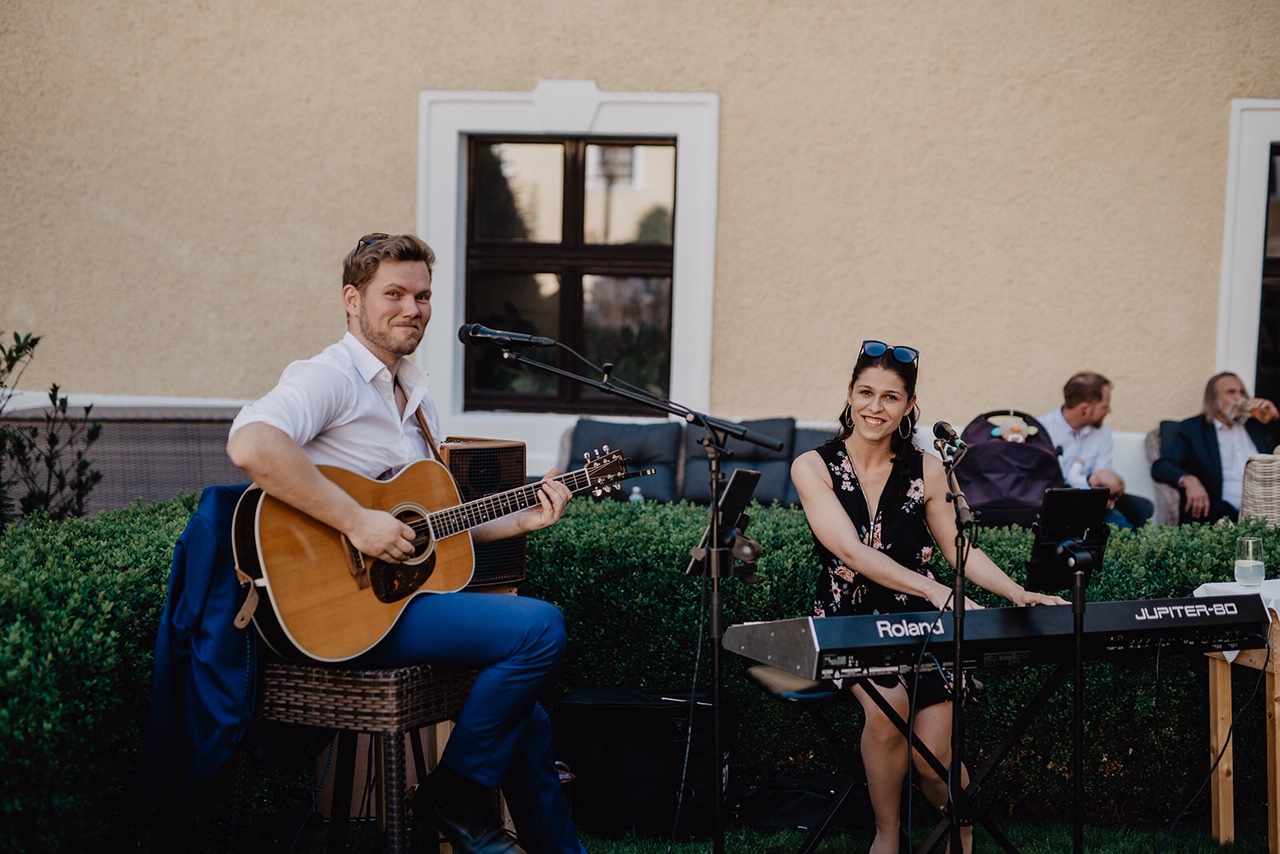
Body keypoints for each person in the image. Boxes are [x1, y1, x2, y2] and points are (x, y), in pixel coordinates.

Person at [226, 233, 584, 854]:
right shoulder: (329, 378)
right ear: (352, 299)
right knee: (539, 629)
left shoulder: (416, 399)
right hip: (342, 613)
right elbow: (252, 445)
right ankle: (452, 796)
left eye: (422, 295)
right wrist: (356, 522)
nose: (411, 309)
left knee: (526, 718)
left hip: (396, 603)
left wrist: (522, 517)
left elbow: (435, 524)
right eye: (393, 293)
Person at [790, 340, 1066, 854]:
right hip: (849, 620)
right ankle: (888, 837)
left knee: (932, 758)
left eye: (891, 398)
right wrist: (935, 589)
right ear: (849, 395)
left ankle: (959, 835)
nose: (876, 407)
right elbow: (850, 551)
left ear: (910, 405)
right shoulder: (813, 465)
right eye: (866, 393)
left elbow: (958, 549)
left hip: (923, 621)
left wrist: (1017, 591)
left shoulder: (928, 468)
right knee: (889, 705)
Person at [1151, 371, 1280, 524]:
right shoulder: (1194, 428)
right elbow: (1162, 466)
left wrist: (1276, 417)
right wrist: (1188, 479)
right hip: (1222, 512)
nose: (1239, 398)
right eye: (1231, 392)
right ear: (1214, 399)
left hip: (1269, 505)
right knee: (1220, 511)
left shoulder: (1256, 426)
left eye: (1242, 392)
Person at [1038, 372, 1153, 529]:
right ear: (1085, 409)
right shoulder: (1043, 429)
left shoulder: (1103, 433)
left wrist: (1107, 495)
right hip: (1053, 500)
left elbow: (1103, 475)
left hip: (1090, 497)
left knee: (1140, 510)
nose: (1109, 410)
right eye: (1104, 406)